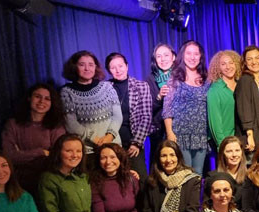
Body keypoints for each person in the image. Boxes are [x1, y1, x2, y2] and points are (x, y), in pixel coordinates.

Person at [2, 83, 65, 193]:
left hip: (47, 179)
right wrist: (42, 152)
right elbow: (8, 156)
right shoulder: (13, 124)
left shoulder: (56, 126)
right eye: (37, 96)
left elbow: (58, 157)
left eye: (47, 99)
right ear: (29, 98)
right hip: (19, 181)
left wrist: (21, 154)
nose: (41, 101)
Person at [60, 51, 122, 160]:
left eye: (90, 64)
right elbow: (71, 124)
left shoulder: (107, 87)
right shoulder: (67, 92)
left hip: (113, 147)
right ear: (74, 67)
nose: (87, 68)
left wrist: (109, 136)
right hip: (88, 151)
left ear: (95, 67)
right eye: (82, 65)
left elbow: (117, 116)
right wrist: (95, 139)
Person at [163, 40, 211, 174]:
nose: (192, 57)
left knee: (198, 172)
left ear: (201, 56)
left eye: (196, 54)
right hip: (180, 134)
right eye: (189, 53)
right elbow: (167, 108)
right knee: (185, 172)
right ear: (183, 55)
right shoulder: (175, 78)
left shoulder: (207, 79)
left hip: (200, 134)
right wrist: (169, 132)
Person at [105, 52, 153, 180]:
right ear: (109, 70)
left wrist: (136, 143)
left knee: (140, 178)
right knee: (117, 179)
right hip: (113, 141)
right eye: (113, 67)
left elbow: (146, 116)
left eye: (120, 66)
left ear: (127, 66)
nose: (118, 70)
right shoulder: (104, 88)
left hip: (133, 141)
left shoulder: (141, 86)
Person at [234, 46, 259, 156]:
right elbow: (244, 109)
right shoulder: (245, 80)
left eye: (257, 58)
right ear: (245, 62)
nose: (254, 62)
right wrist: (250, 135)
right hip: (251, 130)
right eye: (249, 59)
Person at [146, 43, 176, 165]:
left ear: (173, 57)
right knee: (157, 163)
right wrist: (159, 97)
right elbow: (148, 108)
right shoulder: (150, 79)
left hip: (179, 126)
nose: (163, 59)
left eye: (166, 55)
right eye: (159, 56)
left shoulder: (182, 75)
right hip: (158, 129)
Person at [207, 50, 240, 150]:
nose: (228, 67)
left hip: (242, 140)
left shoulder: (242, 85)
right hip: (225, 142)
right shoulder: (214, 90)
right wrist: (223, 145)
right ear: (218, 68)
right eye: (223, 64)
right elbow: (215, 123)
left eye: (231, 63)